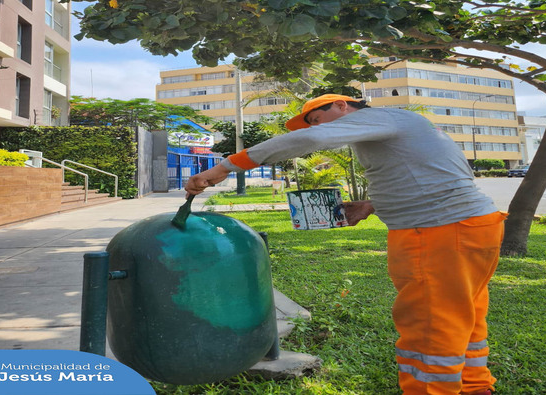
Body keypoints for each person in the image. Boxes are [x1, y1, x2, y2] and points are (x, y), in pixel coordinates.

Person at [185, 94, 507, 395]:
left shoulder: (379, 119)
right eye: (310, 122)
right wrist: (371, 204)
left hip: (438, 232)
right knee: (465, 313)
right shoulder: (394, 125)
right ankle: (475, 385)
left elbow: (307, 140)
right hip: (473, 226)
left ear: (340, 106)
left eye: (315, 118)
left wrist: (223, 168)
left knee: (430, 324)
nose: (315, 127)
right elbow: (429, 175)